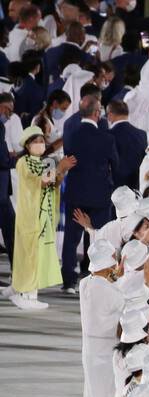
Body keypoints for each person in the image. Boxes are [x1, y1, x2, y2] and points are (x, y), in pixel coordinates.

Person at [9, 125, 74, 310]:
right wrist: (59, 167)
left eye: (41, 141)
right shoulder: (24, 162)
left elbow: (54, 182)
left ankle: (31, 294)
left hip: (44, 215)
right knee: (29, 255)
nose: (40, 144)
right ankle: (25, 294)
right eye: (35, 141)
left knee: (39, 256)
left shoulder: (47, 162)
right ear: (27, 145)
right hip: (31, 216)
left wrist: (62, 171)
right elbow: (42, 180)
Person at [61, 92, 119, 294]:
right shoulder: (107, 138)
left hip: (76, 194)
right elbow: (116, 167)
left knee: (71, 238)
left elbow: (68, 160)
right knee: (99, 237)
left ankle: (68, 281)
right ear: (97, 113)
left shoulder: (71, 136)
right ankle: (97, 275)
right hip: (100, 196)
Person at [77, 242, 123, 397]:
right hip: (105, 355)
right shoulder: (110, 291)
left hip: (89, 352)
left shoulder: (85, 283)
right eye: (114, 259)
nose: (117, 263)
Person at [105, 99, 147, 191]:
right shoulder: (142, 135)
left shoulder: (107, 135)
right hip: (136, 189)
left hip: (115, 192)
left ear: (110, 115)